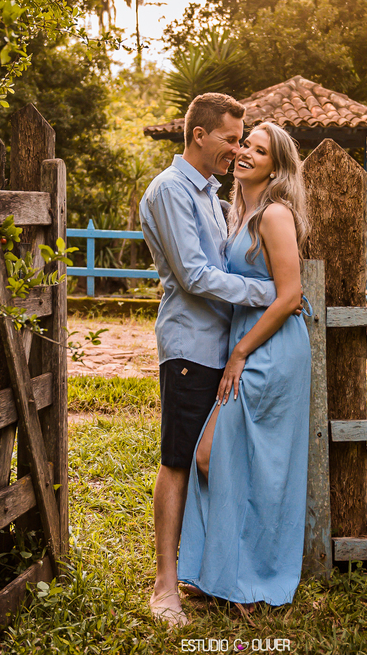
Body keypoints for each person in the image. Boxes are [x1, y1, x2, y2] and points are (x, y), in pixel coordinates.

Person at [138, 93, 278, 627]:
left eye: (242, 142)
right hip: (191, 349)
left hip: (226, 349)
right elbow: (195, 276)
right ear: (199, 134)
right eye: (230, 139)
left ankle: (206, 572)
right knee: (179, 460)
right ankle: (165, 586)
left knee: (216, 459)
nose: (236, 150)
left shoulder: (214, 198)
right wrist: (270, 294)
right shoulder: (171, 191)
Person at [177, 121, 311, 610]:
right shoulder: (237, 212)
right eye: (244, 145)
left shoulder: (274, 214)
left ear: (275, 166)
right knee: (217, 457)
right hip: (249, 345)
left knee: (244, 461)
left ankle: (252, 582)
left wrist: (239, 352)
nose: (247, 153)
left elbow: (290, 295)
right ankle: (223, 575)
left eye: (260, 150)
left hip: (270, 350)